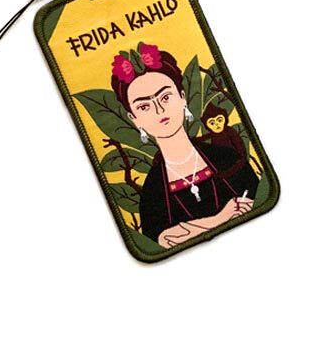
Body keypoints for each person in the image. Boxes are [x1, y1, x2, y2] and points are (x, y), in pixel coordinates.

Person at [111, 41, 258, 248]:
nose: (159, 110)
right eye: (144, 106)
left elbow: (256, 199)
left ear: (182, 97)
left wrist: (189, 230)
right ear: (134, 119)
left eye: (165, 97)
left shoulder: (228, 158)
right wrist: (221, 218)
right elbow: (161, 240)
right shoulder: (152, 192)